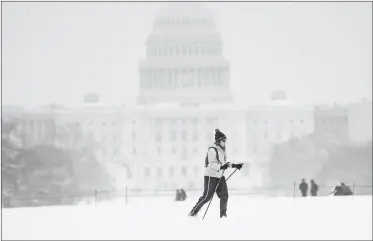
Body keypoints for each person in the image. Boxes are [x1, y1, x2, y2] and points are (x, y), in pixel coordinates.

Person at [188, 129, 243, 218]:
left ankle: (223, 216)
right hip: (210, 177)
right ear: (218, 141)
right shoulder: (212, 150)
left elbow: (224, 164)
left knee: (224, 195)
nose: (225, 142)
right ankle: (193, 212)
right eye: (223, 141)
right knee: (207, 197)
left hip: (220, 177)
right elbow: (211, 164)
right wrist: (221, 167)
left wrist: (235, 165)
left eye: (225, 141)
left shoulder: (222, 150)